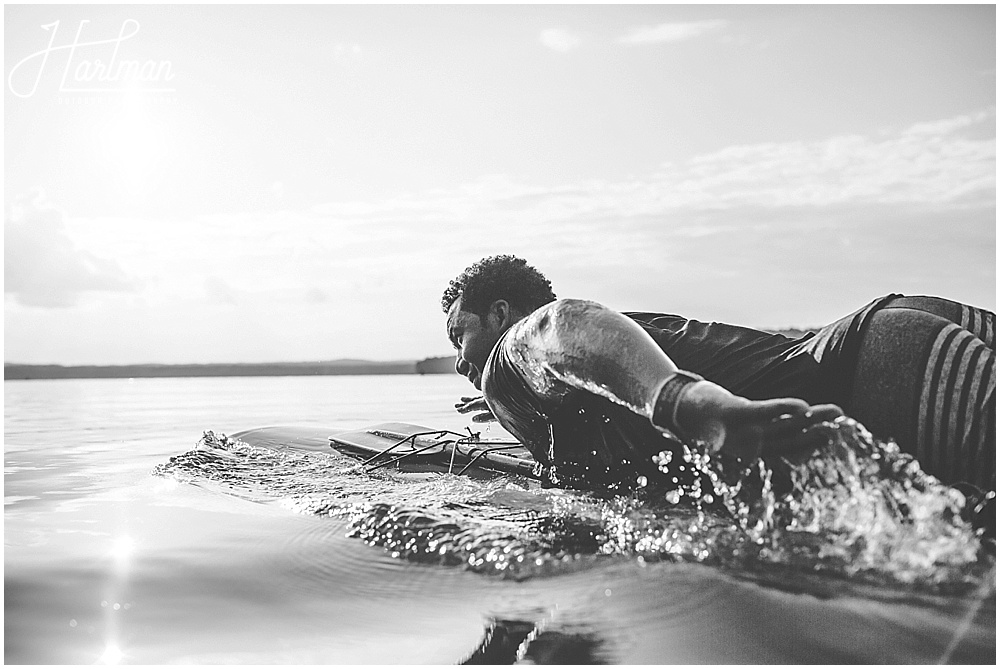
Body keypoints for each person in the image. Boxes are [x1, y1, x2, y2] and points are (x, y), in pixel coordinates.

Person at [442, 255, 995, 496]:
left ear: (499, 316)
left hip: (890, 379)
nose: (462, 360)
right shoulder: (602, 367)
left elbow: (558, 326)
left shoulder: (508, 363)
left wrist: (698, 410)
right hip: (903, 336)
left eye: (459, 337)